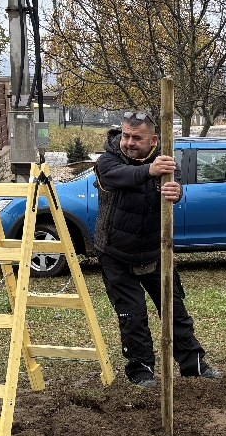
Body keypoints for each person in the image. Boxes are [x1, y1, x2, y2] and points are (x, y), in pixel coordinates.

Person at [94, 111, 219, 386]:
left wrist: (177, 192)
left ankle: (194, 366)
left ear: (153, 140)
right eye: (126, 135)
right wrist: (149, 170)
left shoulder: (166, 160)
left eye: (136, 137)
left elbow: (175, 187)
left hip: (155, 250)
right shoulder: (108, 160)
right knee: (133, 316)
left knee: (175, 311)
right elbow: (119, 177)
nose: (128, 142)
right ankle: (141, 372)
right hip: (116, 253)